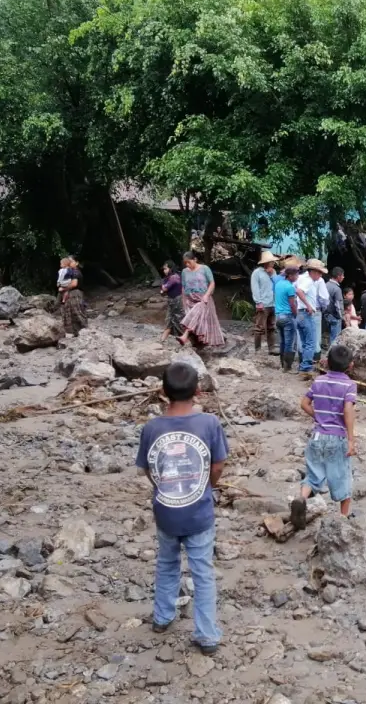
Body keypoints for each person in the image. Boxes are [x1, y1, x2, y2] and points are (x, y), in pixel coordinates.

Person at [135, 362, 227, 655]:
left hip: (166, 511)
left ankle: (162, 617)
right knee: (202, 571)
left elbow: (149, 468)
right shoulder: (209, 423)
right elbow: (217, 464)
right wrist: (207, 485)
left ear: (163, 392)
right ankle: (207, 634)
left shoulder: (152, 428)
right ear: (199, 392)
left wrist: (163, 486)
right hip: (199, 511)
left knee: (166, 563)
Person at [291, 343, 358, 526]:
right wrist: (351, 439)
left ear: (326, 362)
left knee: (313, 475)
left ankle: (302, 499)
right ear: (350, 365)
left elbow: (304, 403)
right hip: (337, 438)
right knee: (343, 477)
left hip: (317, 436)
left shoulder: (318, 381)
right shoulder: (349, 386)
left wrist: (318, 416)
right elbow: (348, 410)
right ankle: (343, 518)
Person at [179, 252, 224, 348]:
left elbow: (212, 283)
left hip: (203, 297)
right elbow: (183, 287)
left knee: (199, 308)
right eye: (185, 263)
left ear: (195, 259)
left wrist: (207, 295)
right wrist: (184, 301)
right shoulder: (184, 272)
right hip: (190, 298)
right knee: (193, 312)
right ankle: (192, 339)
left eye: (189, 262)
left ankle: (185, 335)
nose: (187, 265)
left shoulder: (204, 269)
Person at [296, 259, 329, 373]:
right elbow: (299, 291)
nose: (320, 275)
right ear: (313, 271)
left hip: (299, 312)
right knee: (311, 342)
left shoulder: (300, 278)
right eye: (319, 272)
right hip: (306, 312)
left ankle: (303, 364)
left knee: (304, 341)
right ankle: (306, 366)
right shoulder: (309, 281)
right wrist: (308, 305)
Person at [274, 265, 305, 372]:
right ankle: (288, 367)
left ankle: (282, 364)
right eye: (296, 274)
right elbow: (292, 305)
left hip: (278, 316)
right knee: (290, 343)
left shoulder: (278, 284)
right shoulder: (290, 287)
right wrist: (296, 315)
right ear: (290, 275)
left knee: (282, 341)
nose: (297, 276)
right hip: (287, 316)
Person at [250, 251, 277, 353]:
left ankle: (272, 348)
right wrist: (258, 302)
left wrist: (271, 275)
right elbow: (255, 288)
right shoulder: (257, 273)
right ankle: (257, 348)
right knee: (259, 327)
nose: (273, 263)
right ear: (266, 262)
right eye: (271, 261)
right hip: (263, 304)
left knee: (272, 327)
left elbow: (276, 285)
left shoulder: (273, 272)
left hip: (273, 303)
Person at [160, 260, 186, 342]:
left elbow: (164, 289)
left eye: (166, 269)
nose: (164, 271)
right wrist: (163, 289)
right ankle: (162, 340)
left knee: (179, 320)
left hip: (177, 301)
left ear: (171, 268)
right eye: (164, 269)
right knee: (169, 320)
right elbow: (163, 290)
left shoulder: (174, 277)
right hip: (171, 300)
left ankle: (187, 339)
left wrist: (163, 289)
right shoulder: (168, 278)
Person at [323, 267, 345, 349]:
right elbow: (339, 305)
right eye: (342, 275)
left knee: (327, 335)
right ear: (338, 276)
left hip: (326, 314)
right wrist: (342, 317)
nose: (343, 277)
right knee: (335, 338)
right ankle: (333, 355)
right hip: (335, 316)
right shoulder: (337, 289)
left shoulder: (326, 285)